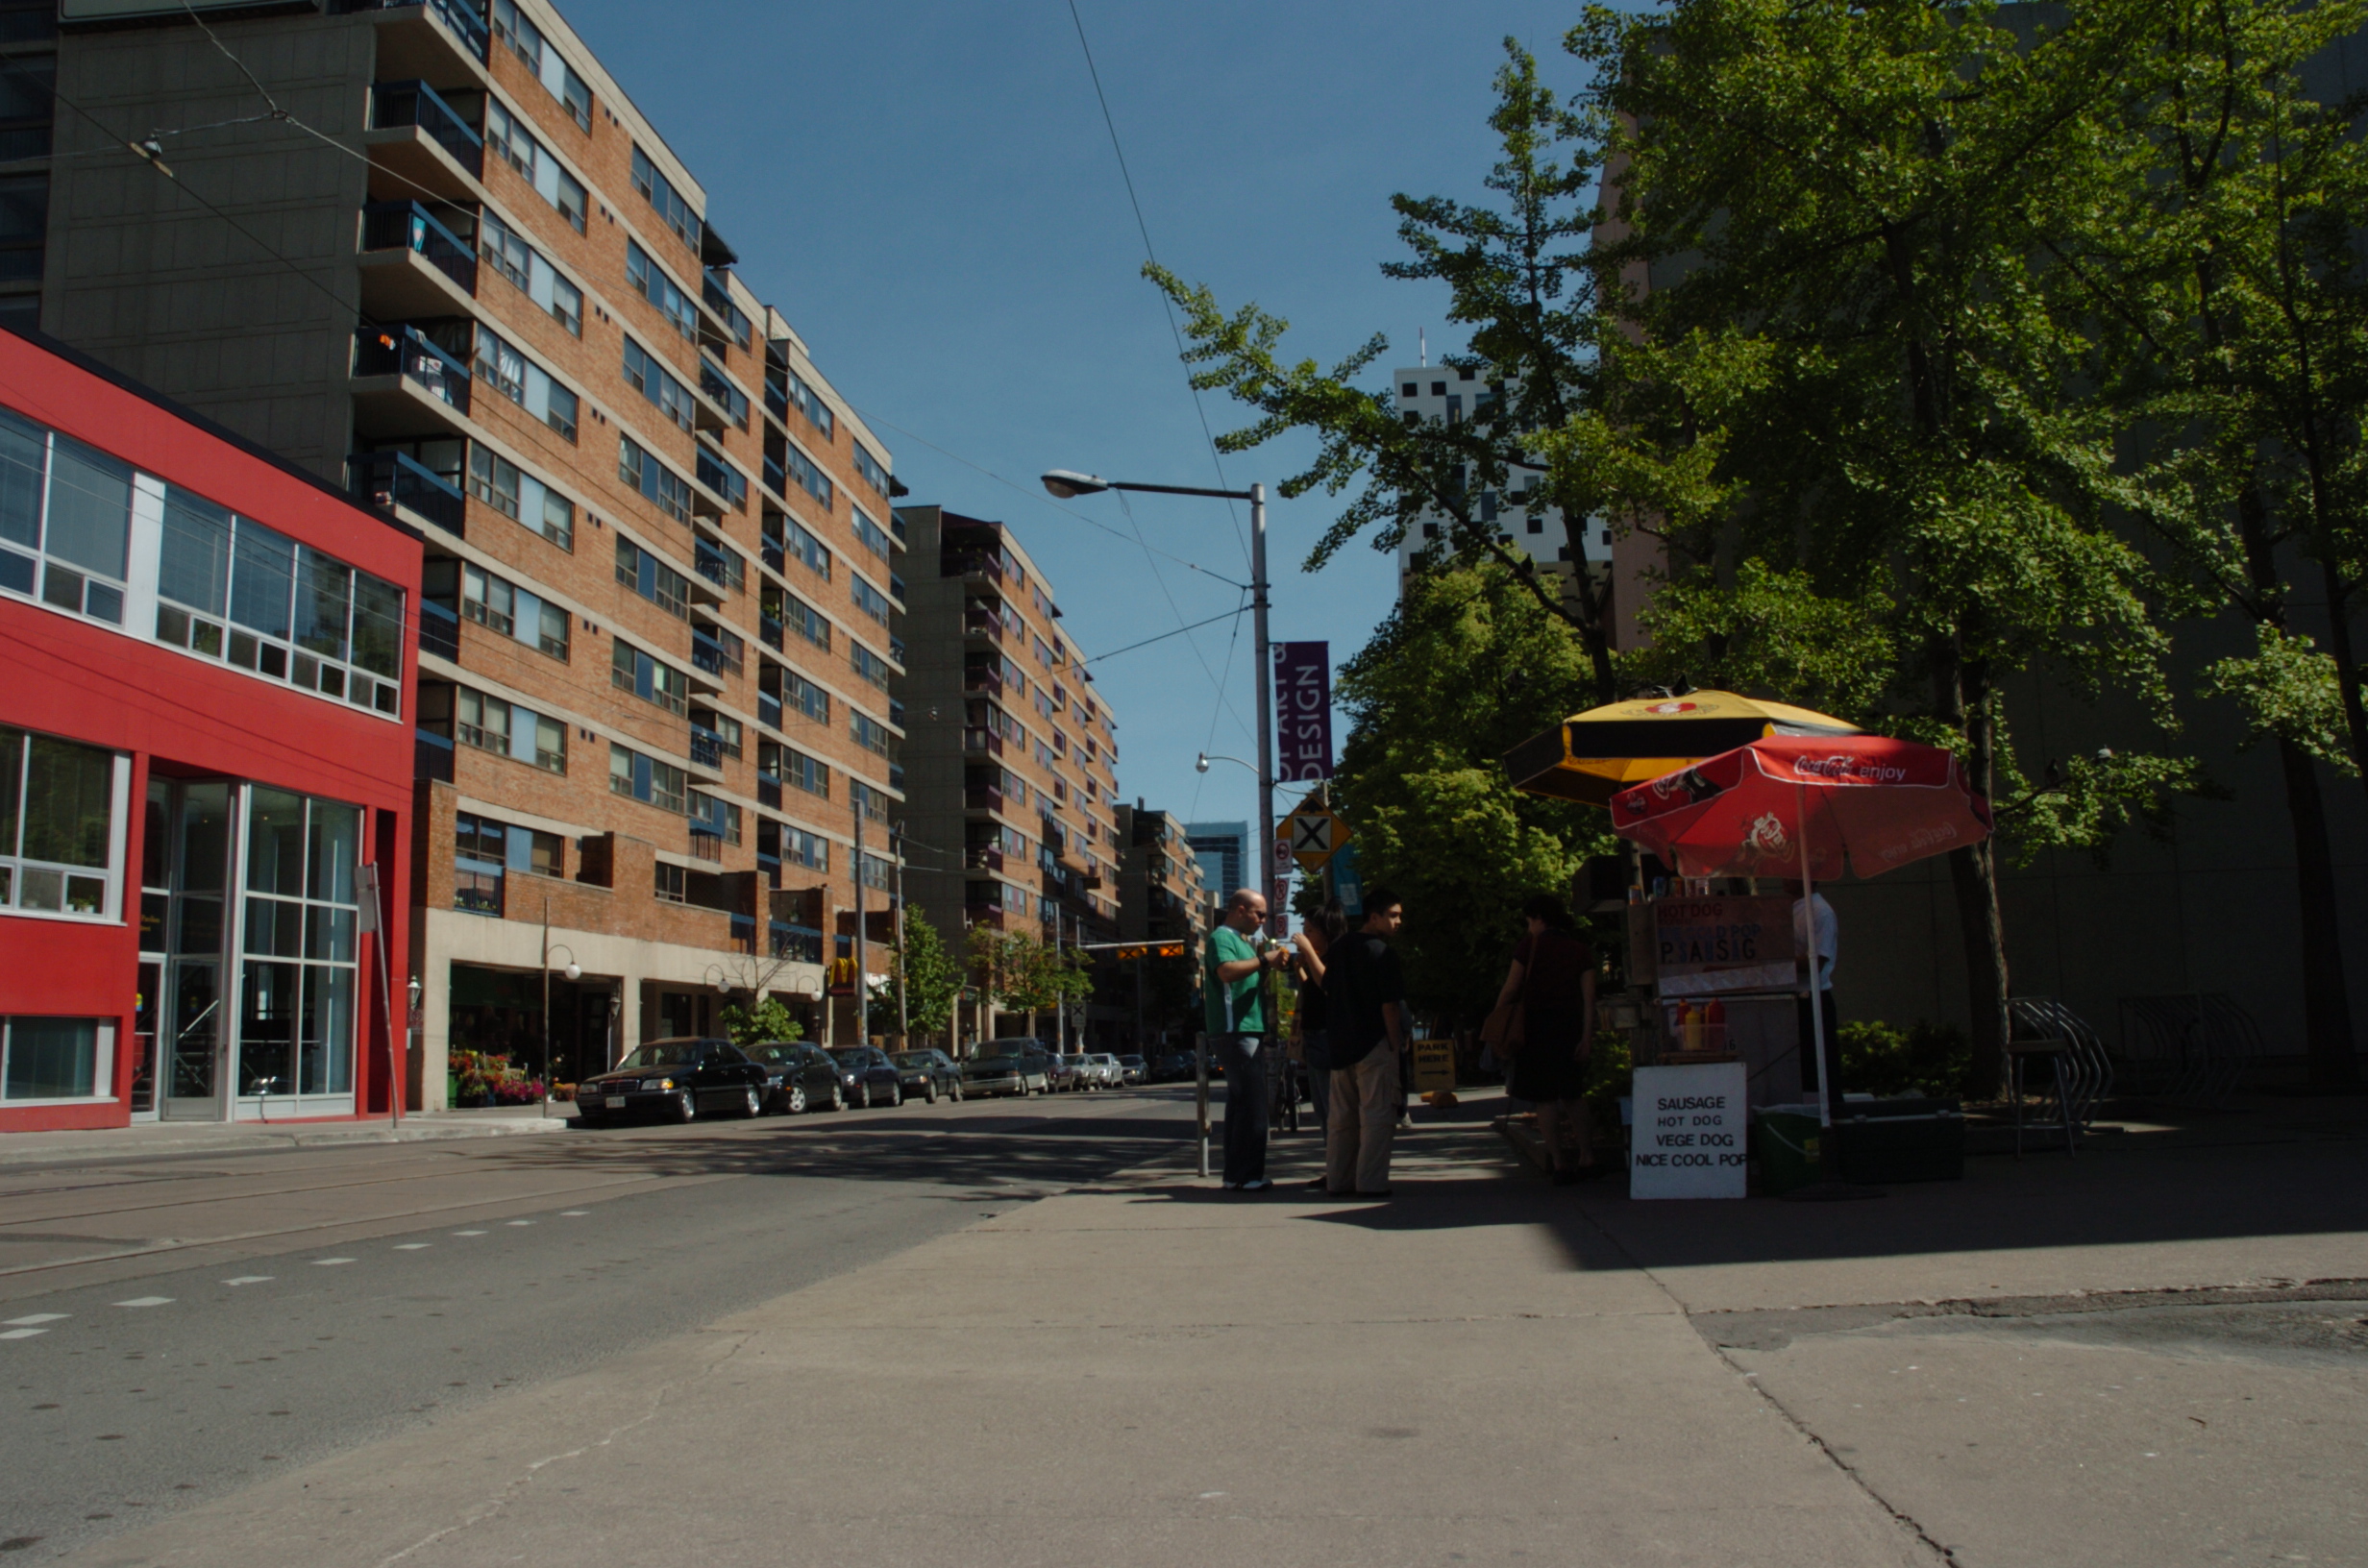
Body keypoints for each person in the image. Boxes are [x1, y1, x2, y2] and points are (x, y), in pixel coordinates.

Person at [1490, 894, 1601, 1184]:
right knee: (1573, 1095)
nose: (1529, 927)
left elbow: (1511, 987)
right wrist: (1586, 1037)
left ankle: (1559, 1164)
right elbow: (1589, 1000)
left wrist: (1497, 1018)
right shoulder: (1579, 950)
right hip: (1570, 1028)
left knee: (1545, 1099)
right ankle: (1587, 1156)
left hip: (1536, 1030)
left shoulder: (1529, 946)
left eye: (1529, 921)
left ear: (1539, 919)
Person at [1202, 888, 1291, 1191]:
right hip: (1234, 1030)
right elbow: (1226, 972)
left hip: (1245, 1028)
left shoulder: (1242, 941)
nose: (1263, 920)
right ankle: (1247, 1175)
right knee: (1253, 1104)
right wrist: (1264, 960)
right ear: (1240, 910)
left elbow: (1246, 980)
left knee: (1241, 1104)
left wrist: (1268, 965)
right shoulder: (1222, 938)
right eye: (1259, 914)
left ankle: (1236, 1174)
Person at [1323, 887, 1408, 1198]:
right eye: (1393, 915)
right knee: (1377, 1116)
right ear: (1374, 917)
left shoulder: (1339, 947)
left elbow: (1327, 986)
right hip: (1373, 1043)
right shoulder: (1383, 953)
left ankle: (1338, 1180)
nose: (1398, 921)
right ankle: (1370, 1184)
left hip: (1340, 1045)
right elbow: (1390, 1006)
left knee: (1341, 1120)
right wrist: (1395, 1044)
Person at [1788, 879, 1843, 1101]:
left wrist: (1778, 964)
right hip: (1793, 998)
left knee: (1818, 1066)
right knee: (1798, 1067)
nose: (1785, 878)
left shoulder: (1820, 912)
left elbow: (1817, 961)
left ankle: (1827, 1111)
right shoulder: (1792, 908)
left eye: (1792, 873)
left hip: (1813, 998)